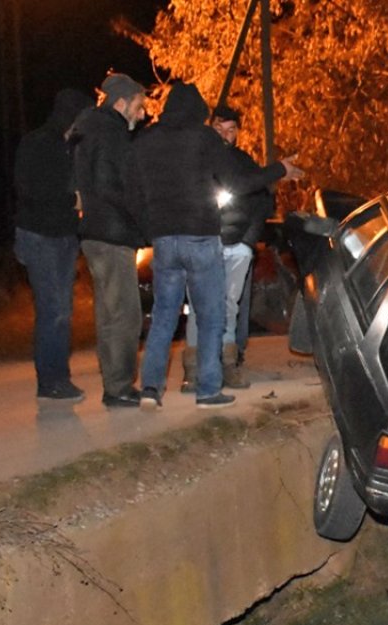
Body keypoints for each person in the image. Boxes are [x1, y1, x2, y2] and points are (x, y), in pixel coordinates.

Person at [126, 81, 301, 410]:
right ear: (198, 112)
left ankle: (150, 388)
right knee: (211, 314)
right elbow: (238, 181)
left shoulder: (145, 141)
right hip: (201, 237)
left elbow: (132, 193)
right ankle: (208, 389)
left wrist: (149, 229)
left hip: (163, 240)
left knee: (165, 314)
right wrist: (280, 169)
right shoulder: (203, 139)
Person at [180, 106, 303, 392]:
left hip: (236, 246)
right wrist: (278, 169)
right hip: (202, 241)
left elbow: (260, 201)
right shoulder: (195, 158)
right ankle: (193, 370)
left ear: (238, 133)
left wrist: (247, 242)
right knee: (199, 306)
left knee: (228, 306)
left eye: (231, 129)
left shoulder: (243, 160)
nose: (225, 135)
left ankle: (228, 364)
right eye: (219, 128)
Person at [71, 72, 147, 408]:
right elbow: (114, 185)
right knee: (127, 314)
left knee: (108, 313)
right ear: (121, 103)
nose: (142, 114)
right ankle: (119, 387)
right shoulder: (112, 133)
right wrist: (139, 220)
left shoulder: (87, 129)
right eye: (138, 106)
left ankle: (113, 383)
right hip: (113, 232)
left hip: (93, 233)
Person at [14, 88, 92, 402]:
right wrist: (71, 200)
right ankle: (50, 380)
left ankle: (57, 377)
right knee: (53, 309)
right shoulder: (37, 143)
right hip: (40, 236)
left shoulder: (67, 146)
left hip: (63, 236)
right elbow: (29, 189)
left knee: (62, 309)